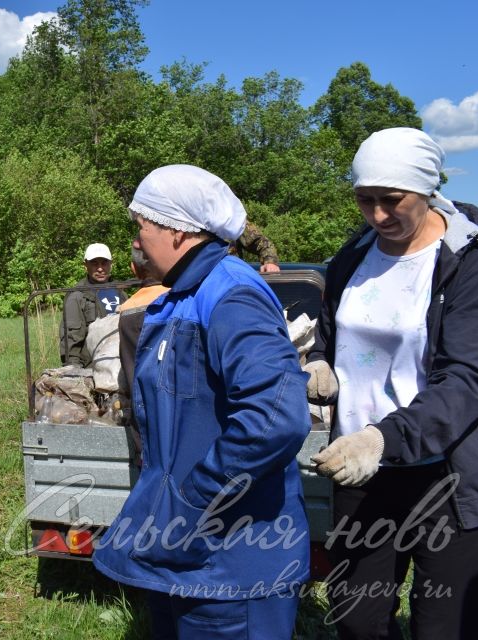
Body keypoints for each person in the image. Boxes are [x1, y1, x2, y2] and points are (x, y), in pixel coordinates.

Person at [93, 165, 311, 639]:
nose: (137, 240)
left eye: (142, 226)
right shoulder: (182, 295)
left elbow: (275, 418)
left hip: (232, 564)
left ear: (177, 229)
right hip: (187, 553)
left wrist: (193, 497)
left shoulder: (231, 294)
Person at [307, 127, 478, 639]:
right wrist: (320, 362)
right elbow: (333, 329)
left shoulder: (466, 262)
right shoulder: (356, 253)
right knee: (356, 620)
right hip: (361, 474)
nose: (378, 215)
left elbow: (467, 378)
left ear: (427, 191)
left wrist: (383, 437)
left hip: (443, 474)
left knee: (446, 625)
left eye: (392, 200)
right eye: (365, 200)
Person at [115, 245, 168, 460]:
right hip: (175, 419)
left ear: (133, 269)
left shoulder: (127, 310)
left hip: (142, 420)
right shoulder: (177, 301)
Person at [59, 242, 127, 367]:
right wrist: (73, 371)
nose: (100, 268)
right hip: (93, 366)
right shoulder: (77, 296)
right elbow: (71, 340)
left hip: (123, 362)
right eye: (94, 263)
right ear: (85, 265)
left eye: (104, 263)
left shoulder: (120, 292)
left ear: (111, 264)